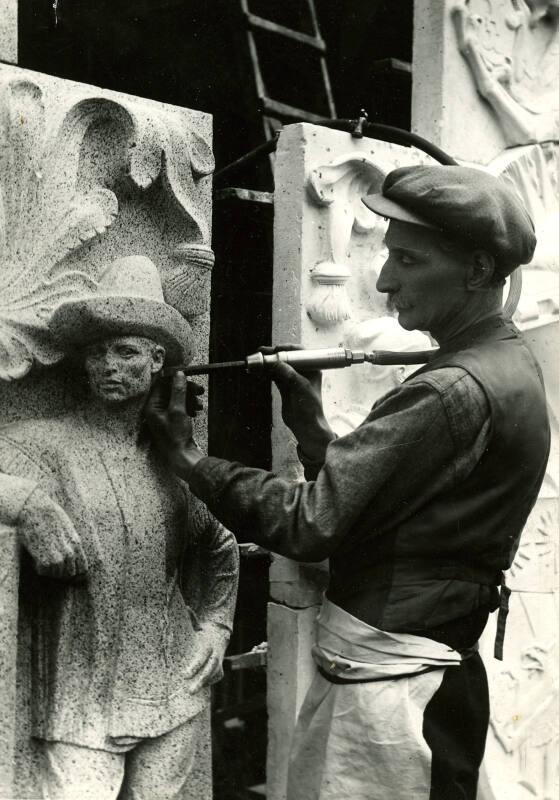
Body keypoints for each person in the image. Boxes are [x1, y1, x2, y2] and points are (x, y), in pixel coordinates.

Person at [146, 166, 550, 800]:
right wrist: (316, 439)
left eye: (409, 261)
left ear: (476, 271)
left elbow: (310, 526)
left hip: (390, 696)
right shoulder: (507, 360)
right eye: (390, 257)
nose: (386, 282)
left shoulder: (449, 388)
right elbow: (403, 511)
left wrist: (189, 461)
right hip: (423, 671)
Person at [0, 255, 239, 800]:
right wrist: (27, 502)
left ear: (156, 361)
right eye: (97, 353)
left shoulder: (173, 461)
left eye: (125, 352)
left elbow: (219, 548)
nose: (108, 365)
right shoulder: (42, 444)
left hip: (173, 681)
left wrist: (215, 628)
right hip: (79, 693)